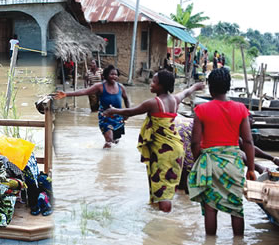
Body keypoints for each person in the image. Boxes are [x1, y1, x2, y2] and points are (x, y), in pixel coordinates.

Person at [103, 70, 204, 212]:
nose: (151, 84)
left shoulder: (153, 103)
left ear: (162, 86)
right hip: (176, 148)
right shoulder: (174, 100)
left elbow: (131, 112)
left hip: (164, 152)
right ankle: (161, 215)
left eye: (154, 82)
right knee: (167, 185)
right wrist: (196, 87)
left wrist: (113, 110)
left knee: (163, 191)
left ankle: (164, 222)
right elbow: (186, 92)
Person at [188, 68, 256, 236]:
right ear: (229, 87)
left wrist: (198, 161)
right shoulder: (241, 109)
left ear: (210, 88)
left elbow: (195, 142)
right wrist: (252, 168)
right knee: (236, 207)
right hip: (233, 164)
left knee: (210, 207)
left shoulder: (201, 110)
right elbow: (248, 141)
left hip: (210, 164)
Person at [55, 65, 130, 148]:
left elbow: (126, 99)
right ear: (106, 75)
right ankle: (105, 159)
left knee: (115, 142)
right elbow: (84, 91)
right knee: (109, 142)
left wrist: (127, 113)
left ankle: (113, 159)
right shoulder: (100, 86)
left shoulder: (121, 87)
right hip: (105, 117)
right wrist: (66, 94)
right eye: (112, 74)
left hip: (118, 117)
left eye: (116, 75)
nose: (114, 76)